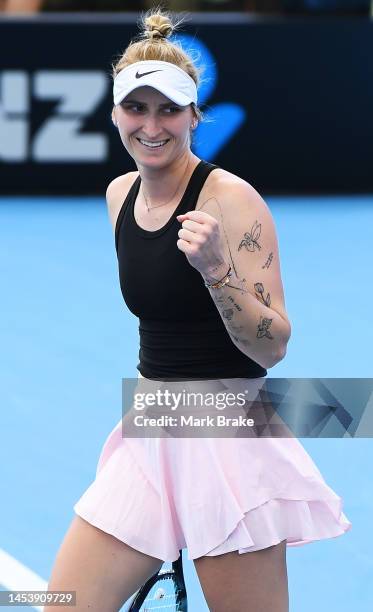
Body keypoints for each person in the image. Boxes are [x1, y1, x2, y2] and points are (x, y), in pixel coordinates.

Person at [44, 8, 351, 612]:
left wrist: (217, 272)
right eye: (137, 108)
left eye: (168, 110)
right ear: (114, 115)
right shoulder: (119, 196)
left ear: (192, 116)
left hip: (230, 441)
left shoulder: (232, 200)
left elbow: (274, 345)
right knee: (64, 603)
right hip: (153, 430)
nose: (152, 125)